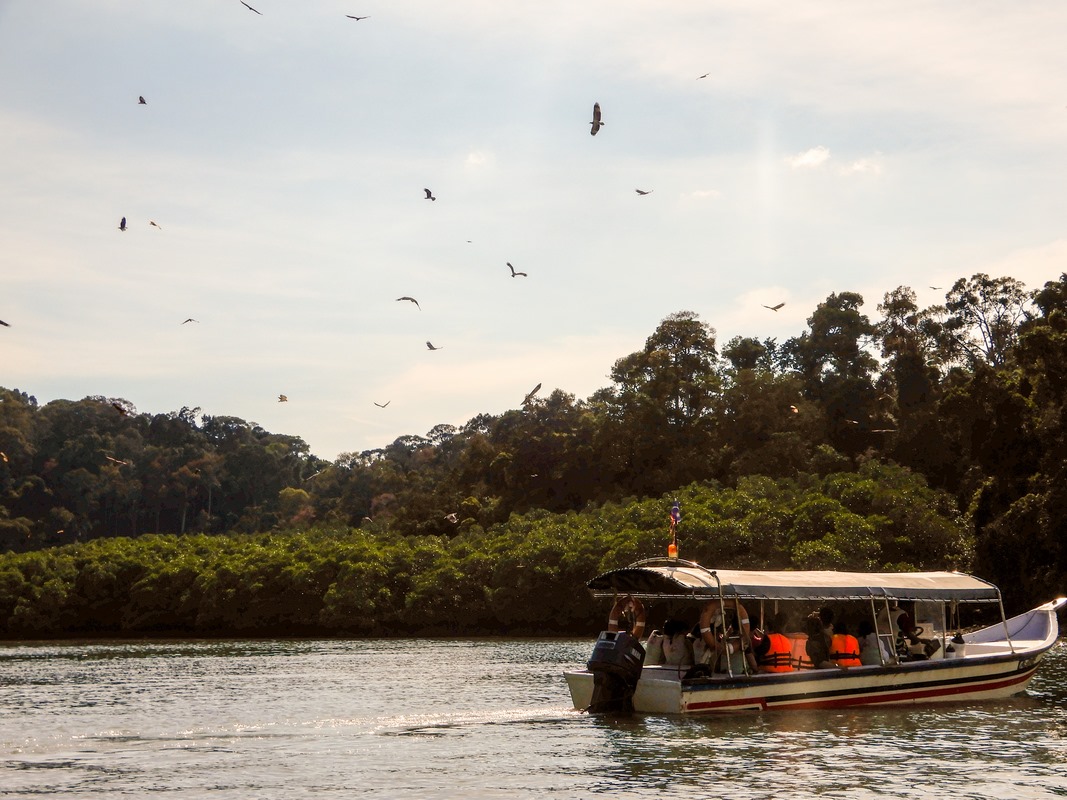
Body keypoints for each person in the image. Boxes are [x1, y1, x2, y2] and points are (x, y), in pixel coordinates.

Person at [698, 598, 756, 674]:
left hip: (724, 673)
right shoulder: (743, 641)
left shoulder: (724, 640)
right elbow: (753, 664)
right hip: (739, 674)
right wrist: (756, 670)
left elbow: (718, 660)